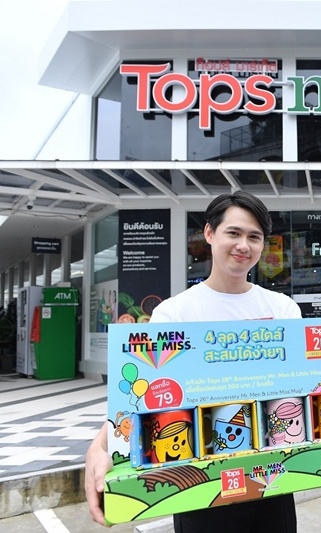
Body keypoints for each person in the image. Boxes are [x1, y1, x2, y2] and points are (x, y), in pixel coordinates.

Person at [84, 191, 300, 532]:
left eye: (254, 237)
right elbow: (146, 392)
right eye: (233, 233)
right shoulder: (175, 313)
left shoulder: (283, 309)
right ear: (209, 234)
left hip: (272, 472)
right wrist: (99, 447)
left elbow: (305, 384)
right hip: (196, 477)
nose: (243, 245)